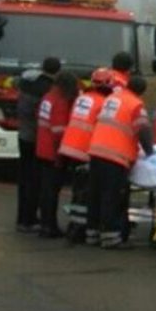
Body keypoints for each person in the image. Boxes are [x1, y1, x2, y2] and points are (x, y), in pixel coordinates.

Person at [87, 72, 152, 249]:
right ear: (141, 91)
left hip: (96, 150)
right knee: (112, 195)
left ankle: (92, 232)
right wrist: (150, 151)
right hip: (115, 155)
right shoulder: (136, 104)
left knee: (96, 194)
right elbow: (143, 131)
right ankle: (111, 236)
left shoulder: (113, 98)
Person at [57, 69, 111, 243]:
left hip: (69, 147)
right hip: (85, 150)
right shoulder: (103, 103)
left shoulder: (82, 98)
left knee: (77, 190)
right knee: (85, 193)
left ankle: (74, 225)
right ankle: (79, 229)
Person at [14, 54, 61, 234]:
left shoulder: (26, 81)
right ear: (57, 71)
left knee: (24, 180)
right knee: (36, 181)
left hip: (23, 134)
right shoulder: (48, 89)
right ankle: (30, 219)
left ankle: (22, 218)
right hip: (38, 138)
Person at [35, 70, 80, 237]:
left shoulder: (47, 97)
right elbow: (58, 132)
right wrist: (61, 154)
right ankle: (50, 226)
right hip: (52, 152)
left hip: (42, 148)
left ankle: (45, 223)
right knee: (52, 191)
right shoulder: (60, 102)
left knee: (45, 190)